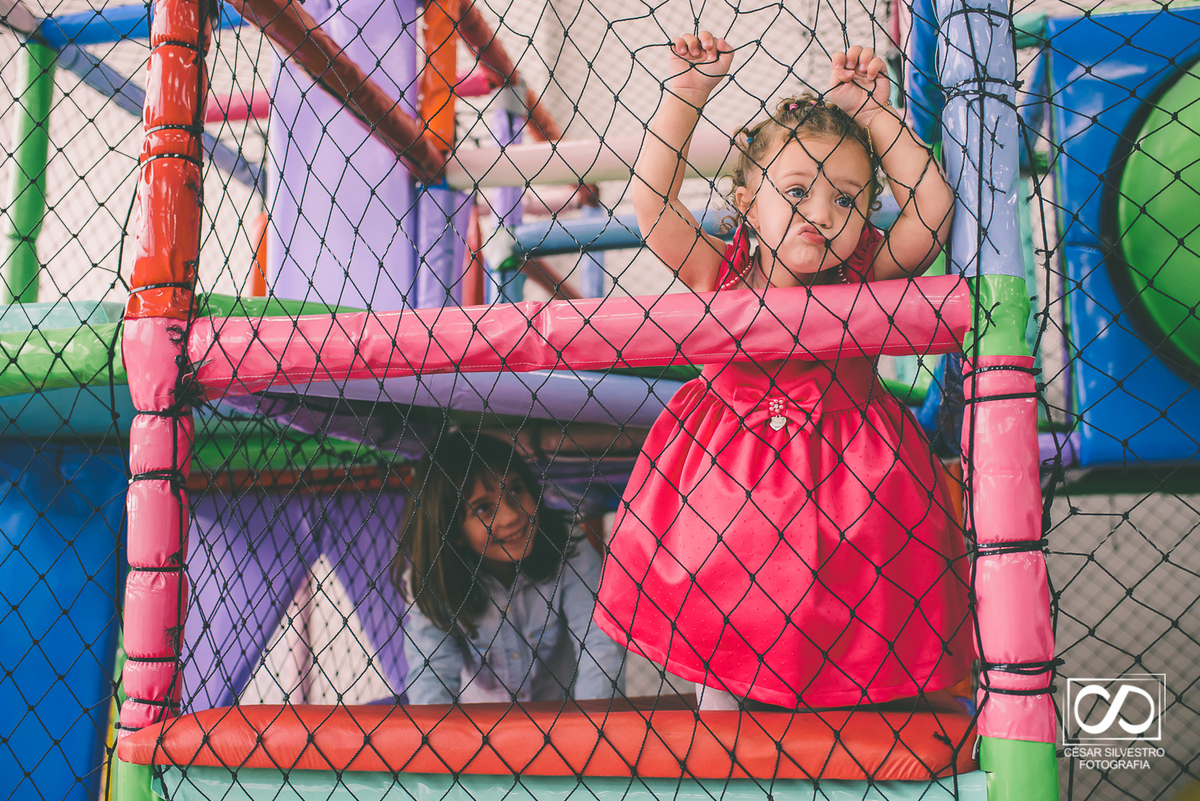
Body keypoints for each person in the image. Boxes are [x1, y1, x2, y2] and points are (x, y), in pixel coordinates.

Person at [592, 33, 973, 711]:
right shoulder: (722, 269)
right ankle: (721, 714)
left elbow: (934, 209)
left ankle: (856, 724)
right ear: (746, 201)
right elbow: (654, 207)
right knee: (721, 615)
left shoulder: (866, 272)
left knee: (858, 629)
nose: (823, 215)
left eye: (848, 199)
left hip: (851, 482)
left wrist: (876, 115)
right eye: (797, 192)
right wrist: (686, 95)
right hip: (726, 479)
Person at [396, 431, 624, 704]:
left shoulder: (568, 545)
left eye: (515, 490)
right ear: (452, 530)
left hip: (566, 722)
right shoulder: (434, 577)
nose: (512, 516)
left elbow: (600, 646)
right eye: (482, 508)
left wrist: (591, 732)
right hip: (484, 736)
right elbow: (431, 675)